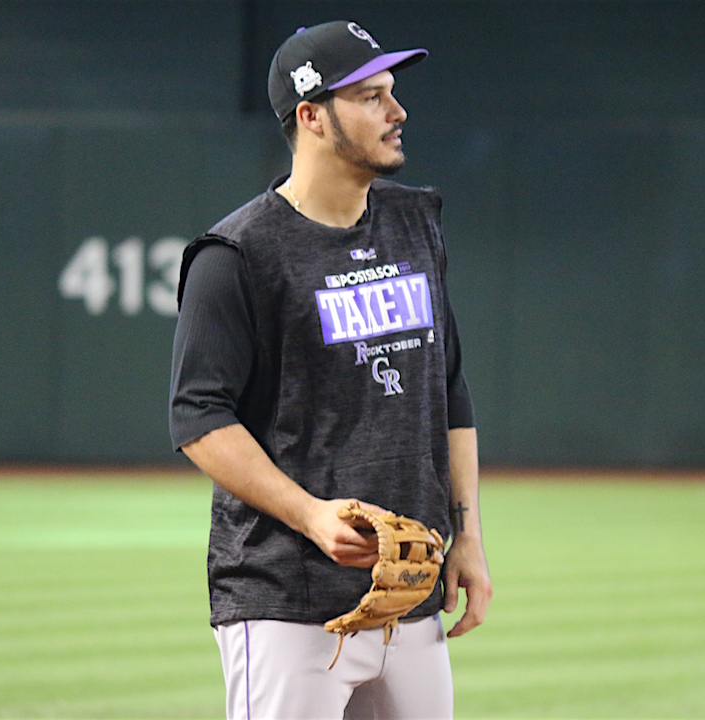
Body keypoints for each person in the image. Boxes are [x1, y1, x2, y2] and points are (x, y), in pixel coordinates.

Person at [169, 20, 492, 719]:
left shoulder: (415, 223)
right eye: (371, 97)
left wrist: (466, 534)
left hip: (409, 591)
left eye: (392, 92)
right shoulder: (236, 254)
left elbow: (449, 389)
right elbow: (197, 416)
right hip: (286, 600)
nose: (397, 112)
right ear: (311, 116)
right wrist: (310, 515)